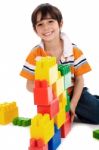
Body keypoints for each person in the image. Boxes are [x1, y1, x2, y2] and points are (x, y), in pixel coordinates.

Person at [20, 3, 99, 124]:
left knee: (96, 115)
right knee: (53, 123)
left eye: (50, 21)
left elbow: (79, 80)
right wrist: (47, 90)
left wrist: (72, 104)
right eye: (40, 24)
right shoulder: (35, 54)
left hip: (72, 93)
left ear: (60, 23)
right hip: (51, 99)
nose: (46, 28)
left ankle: (91, 101)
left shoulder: (73, 50)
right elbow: (29, 85)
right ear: (35, 30)